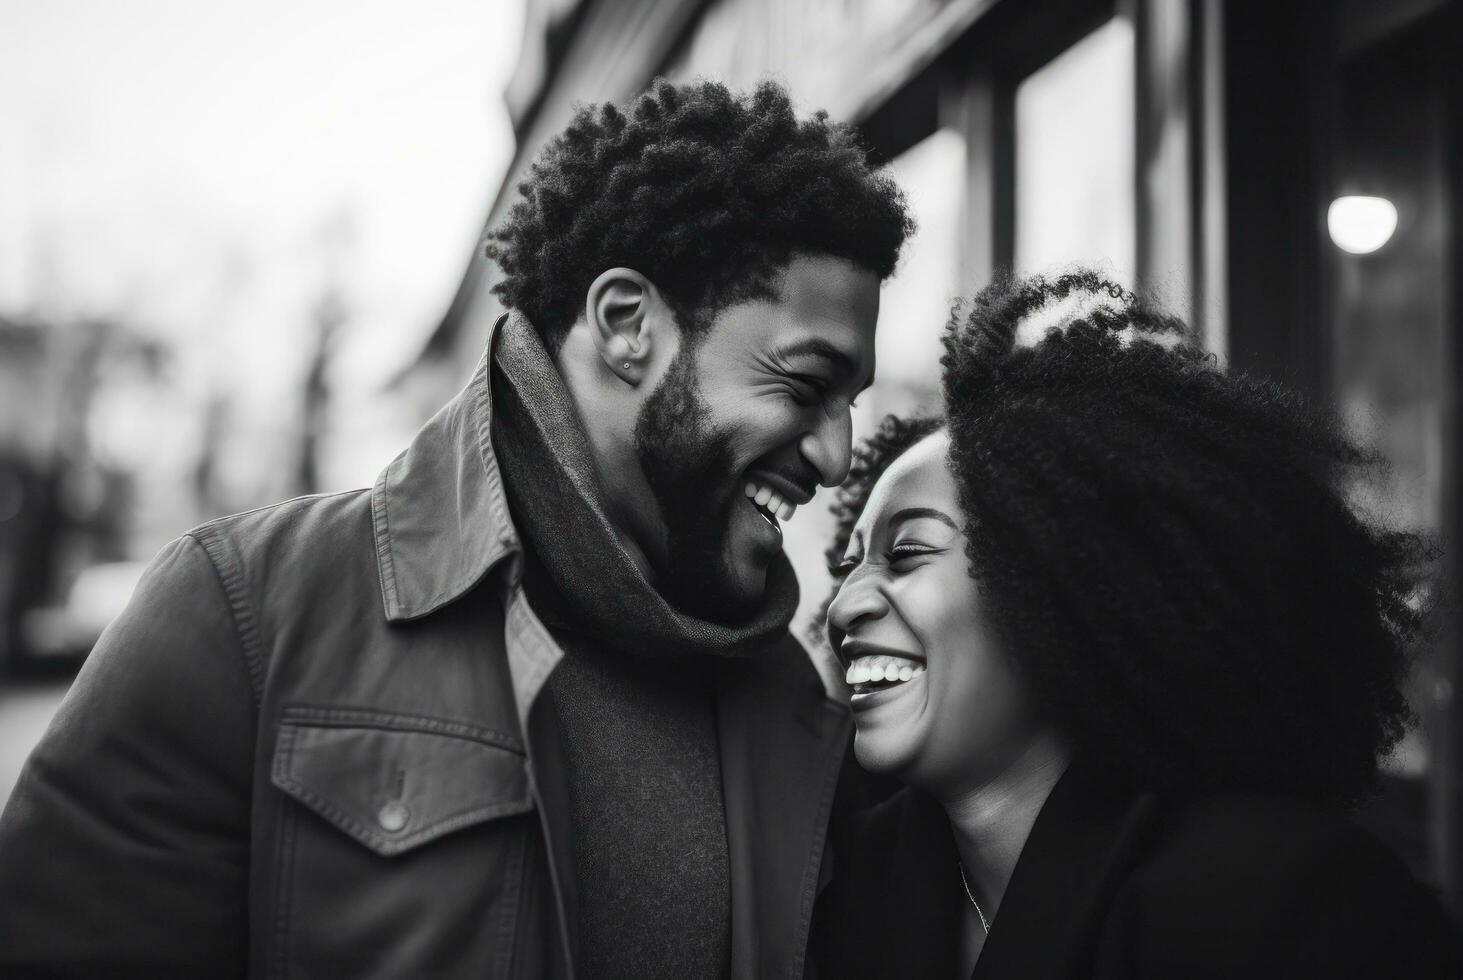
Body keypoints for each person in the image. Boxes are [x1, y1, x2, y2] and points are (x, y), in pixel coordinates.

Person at [0, 79, 912, 978]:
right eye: (802, 386)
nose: (836, 456)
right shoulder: (244, 613)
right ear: (629, 326)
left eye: (852, 405)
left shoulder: (797, 707)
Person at [810, 270, 1463, 979]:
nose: (848, 604)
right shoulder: (841, 898)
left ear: (1065, 587)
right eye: (847, 568)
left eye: (909, 552)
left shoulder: (1289, 906)